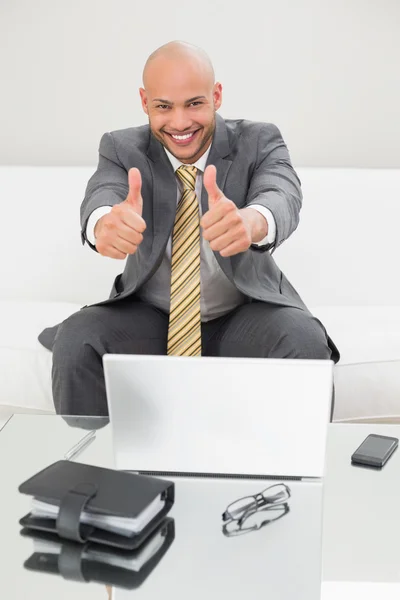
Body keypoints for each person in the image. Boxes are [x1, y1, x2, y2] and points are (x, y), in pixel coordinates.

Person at [38, 40, 339, 417]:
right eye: (164, 106)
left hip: (243, 315)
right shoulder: (120, 147)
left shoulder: (259, 139)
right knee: (76, 339)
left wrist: (252, 221)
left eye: (194, 103)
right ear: (145, 102)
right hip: (150, 317)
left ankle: (299, 475)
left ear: (216, 95)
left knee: (305, 341)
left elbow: (282, 192)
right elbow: (103, 193)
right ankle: (89, 469)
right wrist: (103, 222)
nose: (180, 123)